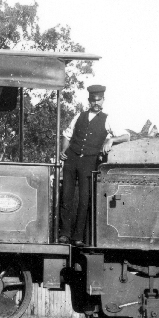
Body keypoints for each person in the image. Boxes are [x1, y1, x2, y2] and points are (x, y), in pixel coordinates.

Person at [58, 84, 129, 246]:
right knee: (66, 196)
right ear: (89, 101)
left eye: (99, 100)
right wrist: (63, 150)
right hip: (71, 159)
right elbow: (67, 134)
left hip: (89, 162)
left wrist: (111, 139)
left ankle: (78, 237)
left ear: (103, 100)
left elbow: (126, 136)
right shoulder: (79, 116)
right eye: (93, 101)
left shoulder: (108, 118)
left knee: (84, 199)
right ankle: (64, 234)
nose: (96, 104)